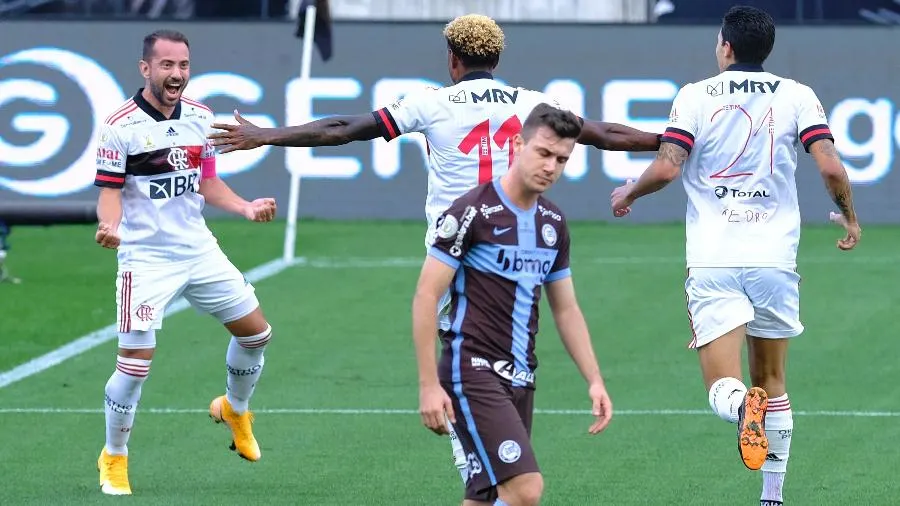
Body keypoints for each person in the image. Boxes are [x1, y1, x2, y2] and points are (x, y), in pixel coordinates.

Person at [208, 13, 658, 479]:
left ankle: (476, 459)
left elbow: (344, 128)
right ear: (498, 59)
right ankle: (485, 462)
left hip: (457, 251)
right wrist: (673, 141)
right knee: (504, 358)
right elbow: (608, 134)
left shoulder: (431, 102)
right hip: (514, 252)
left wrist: (266, 135)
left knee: (466, 354)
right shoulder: (533, 104)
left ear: (452, 60)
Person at [609, 6, 861, 506]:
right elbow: (830, 167)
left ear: (725, 45)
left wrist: (629, 194)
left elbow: (666, 168)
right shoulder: (798, 95)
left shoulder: (695, 96)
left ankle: (740, 404)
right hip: (774, 260)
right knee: (774, 380)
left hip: (714, 259)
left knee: (726, 386)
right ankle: (772, 498)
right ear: (765, 49)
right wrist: (849, 216)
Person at [93, 29, 278, 496]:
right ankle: (114, 456)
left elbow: (207, 183)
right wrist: (110, 227)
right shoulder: (120, 125)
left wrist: (245, 207)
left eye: (184, 66)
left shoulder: (201, 117)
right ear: (146, 69)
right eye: (167, 66)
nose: (177, 75)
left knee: (257, 334)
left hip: (198, 249)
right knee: (135, 365)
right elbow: (109, 194)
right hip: (146, 258)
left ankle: (235, 409)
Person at [413, 103, 612, 506]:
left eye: (562, 159)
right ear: (517, 144)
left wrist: (594, 379)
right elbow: (426, 296)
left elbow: (566, 308)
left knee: (485, 497)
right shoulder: (470, 212)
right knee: (525, 489)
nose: (551, 167)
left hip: (521, 375)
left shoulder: (553, 224)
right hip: (473, 370)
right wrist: (428, 386)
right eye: (543, 153)